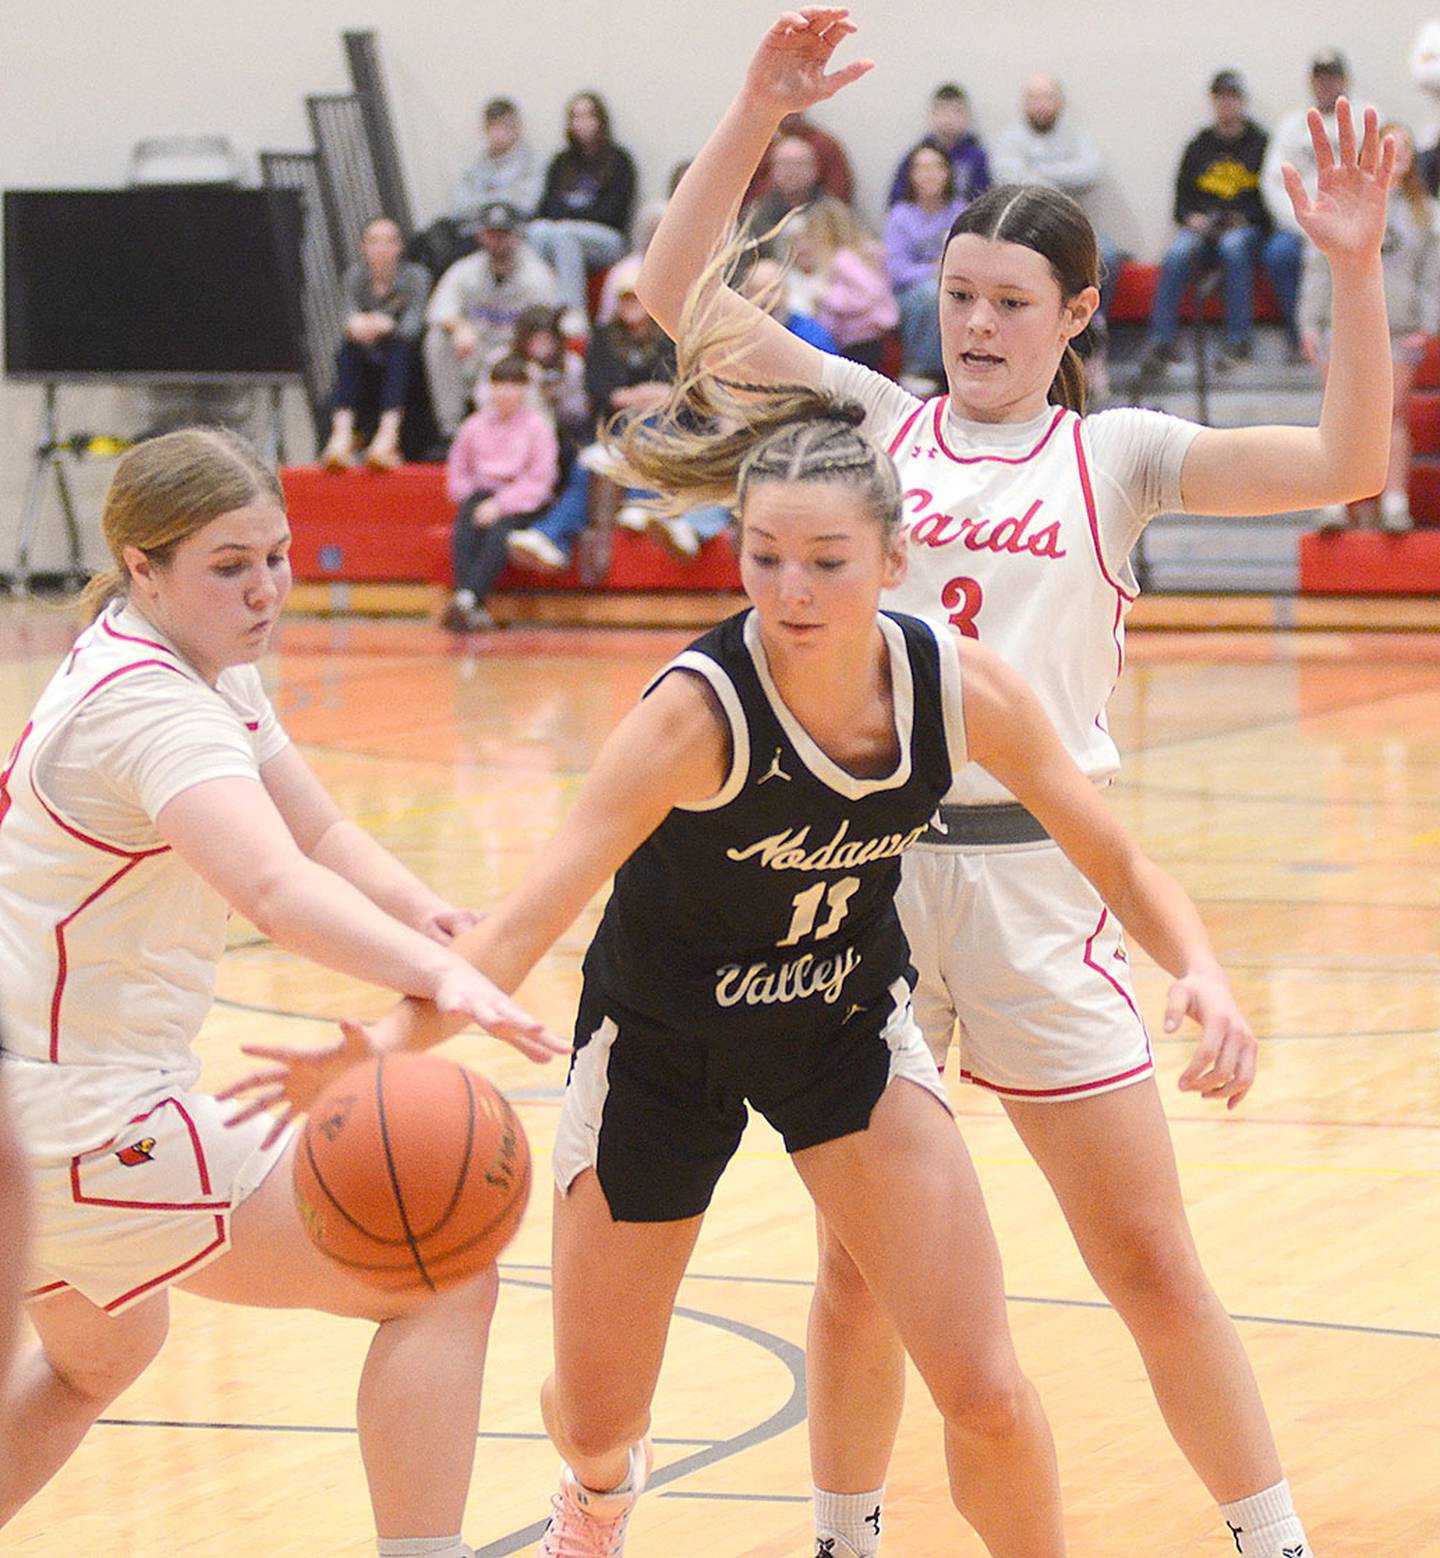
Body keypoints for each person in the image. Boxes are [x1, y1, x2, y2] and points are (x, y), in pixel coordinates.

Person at [221, 241, 1283, 1557]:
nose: (791, 591)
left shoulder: (959, 688)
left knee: (987, 1387)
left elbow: (1117, 860)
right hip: (661, 1047)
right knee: (596, 1414)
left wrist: (1203, 967)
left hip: (841, 1026)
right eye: (765, 557)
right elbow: (520, 927)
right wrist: (384, 1041)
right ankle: (597, 1489)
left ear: (893, 557)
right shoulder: (691, 716)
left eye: (827, 561)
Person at [636, 11, 1395, 1556]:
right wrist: (755, 110)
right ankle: (845, 1530)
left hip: (1044, 881)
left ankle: (1273, 1536)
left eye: (1011, 303)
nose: (977, 324)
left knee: (1148, 1259)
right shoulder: (872, 423)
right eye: (960, 294)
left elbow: (1348, 463)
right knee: (859, 1263)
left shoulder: (1121, 455)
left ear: (1077, 314)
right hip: (868, 884)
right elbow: (673, 295)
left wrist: (1357, 266)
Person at [0, 428, 565, 1554]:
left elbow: (322, 831)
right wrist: (441, 978)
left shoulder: (179, 656)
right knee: (440, 1277)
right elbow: (273, 885)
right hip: (88, 1122)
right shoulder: (150, 707)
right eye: (230, 566)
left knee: (98, 1356)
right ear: (142, 564)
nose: (265, 589)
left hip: (38, 1116)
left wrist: (432, 918)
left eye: (277, 555)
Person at [1302, 122, 1437, 533]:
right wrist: (1309, 321)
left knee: (1393, 414)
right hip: (1340, 326)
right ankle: (1335, 503)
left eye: (1405, 148)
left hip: (1399, 328)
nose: (1398, 155)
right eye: (1389, 146)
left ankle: (1395, 503)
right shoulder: (1345, 201)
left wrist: (1429, 323)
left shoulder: (1426, 212)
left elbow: (1432, 275)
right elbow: (1318, 266)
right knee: (1338, 415)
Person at [1139, 71, 1283, 377]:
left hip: (1246, 229)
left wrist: (1245, 218)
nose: (1226, 104)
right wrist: (1193, 219)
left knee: (1234, 247)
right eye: (1221, 98)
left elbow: (1273, 199)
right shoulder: (1198, 146)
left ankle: (1238, 342)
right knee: (1176, 254)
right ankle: (1161, 341)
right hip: (1203, 228)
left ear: (1242, 101)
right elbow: (1180, 205)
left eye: (1232, 97)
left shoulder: (1262, 144)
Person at [1261, 50, 1376, 353]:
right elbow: (1273, 183)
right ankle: (1300, 337)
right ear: (1311, 82)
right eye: (1320, 78)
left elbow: (1378, 180)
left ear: (1345, 80)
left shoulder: (1366, 118)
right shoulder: (1290, 125)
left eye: (1332, 77)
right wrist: (1307, 224)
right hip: (1299, 222)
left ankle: (1354, 338)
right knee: (1279, 255)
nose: (1327, 84)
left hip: (1351, 221)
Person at [440, 355, 560, 633]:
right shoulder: (473, 425)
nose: (506, 393)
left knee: (500, 533)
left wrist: (501, 504)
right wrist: (472, 499)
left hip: (525, 501)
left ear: (524, 390)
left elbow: (541, 481)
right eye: (500, 385)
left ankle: (466, 598)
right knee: (466, 526)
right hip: (481, 495)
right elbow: (458, 472)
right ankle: (471, 604)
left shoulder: (538, 427)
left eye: (513, 386)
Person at [424, 201, 559, 440]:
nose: (498, 240)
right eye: (492, 233)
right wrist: (459, 326)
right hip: (475, 350)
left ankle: (531, 440)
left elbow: (549, 326)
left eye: (504, 233)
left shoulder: (536, 275)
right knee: (437, 339)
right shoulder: (465, 270)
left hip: (518, 355)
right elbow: (438, 309)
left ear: (517, 235)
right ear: (481, 235)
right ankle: (451, 431)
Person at [320, 216, 432, 471]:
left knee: (397, 351)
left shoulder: (416, 277)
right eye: (374, 241)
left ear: (400, 247)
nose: (382, 249)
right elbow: (348, 319)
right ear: (364, 247)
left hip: (406, 355)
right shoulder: (355, 276)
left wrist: (388, 325)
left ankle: (388, 436)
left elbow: (414, 326)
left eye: (389, 241)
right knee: (347, 351)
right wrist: (361, 325)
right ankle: (341, 435)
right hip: (365, 350)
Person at [526, 91, 636, 319]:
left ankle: (572, 314)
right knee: (536, 231)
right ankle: (539, 310)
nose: (582, 123)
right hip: (564, 233)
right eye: (576, 116)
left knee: (565, 234)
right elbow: (546, 207)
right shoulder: (561, 162)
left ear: (600, 120)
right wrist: (573, 215)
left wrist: (571, 216)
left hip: (607, 239)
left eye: (588, 116)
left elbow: (613, 212)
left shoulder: (619, 161)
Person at [885, 143, 967, 387]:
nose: (930, 174)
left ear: (948, 172)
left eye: (937, 167)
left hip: (957, 283)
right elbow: (897, 271)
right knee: (932, 295)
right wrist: (934, 271)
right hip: (911, 291)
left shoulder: (962, 211)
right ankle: (921, 370)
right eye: (922, 168)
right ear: (911, 175)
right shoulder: (900, 216)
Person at [786, 196, 898, 372]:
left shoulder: (843, 259)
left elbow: (870, 291)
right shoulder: (839, 259)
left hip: (862, 338)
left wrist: (829, 297)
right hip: (849, 338)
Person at [885, 82, 990, 208]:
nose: (948, 119)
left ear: (966, 116)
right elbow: (896, 201)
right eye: (942, 110)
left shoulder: (976, 157)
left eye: (956, 111)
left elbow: (984, 201)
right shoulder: (917, 155)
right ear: (932, 115)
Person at [449, 96, 544, 227]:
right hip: (477, 229)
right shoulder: (474, 167)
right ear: (485, 129)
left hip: (517, 230)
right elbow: (460, 207)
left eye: (506, 126)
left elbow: (527, 205)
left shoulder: (532, 163)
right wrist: (499, 201)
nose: (500, 133)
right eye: (494, 126)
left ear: (517, 128)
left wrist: (487, 201)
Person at [747, 108, 856, 207]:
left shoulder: (825, 146)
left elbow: (839, 195)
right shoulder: (760, 148)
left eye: (801, 164)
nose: (792, 172)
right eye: (783, 165)